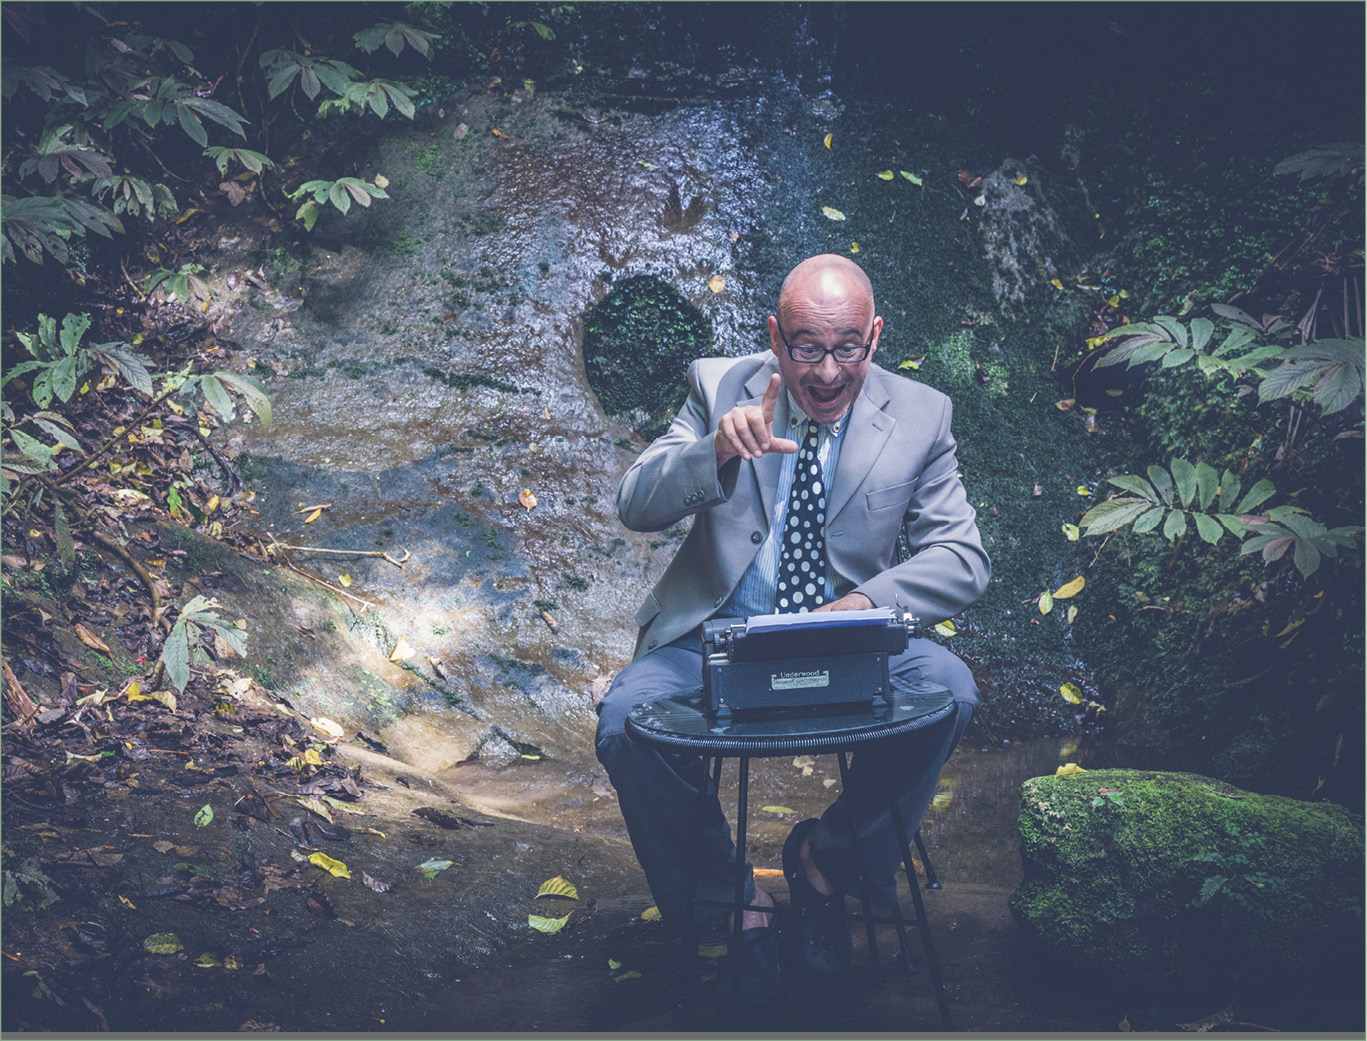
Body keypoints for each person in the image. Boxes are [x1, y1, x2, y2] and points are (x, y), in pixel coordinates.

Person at [594, 253, 990, 1006]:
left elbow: (962, 557)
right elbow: (634, 502)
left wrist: (864, 603)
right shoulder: (717, 387)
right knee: (623, 723)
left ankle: (822, 868)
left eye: (848, 348)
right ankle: (732, 904)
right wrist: (712, 448)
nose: (829, 372)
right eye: (807, 347)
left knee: (950, 690)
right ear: (775, 337)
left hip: (848, 644)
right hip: (715, 640)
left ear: (873, 338)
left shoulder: (920, 414)